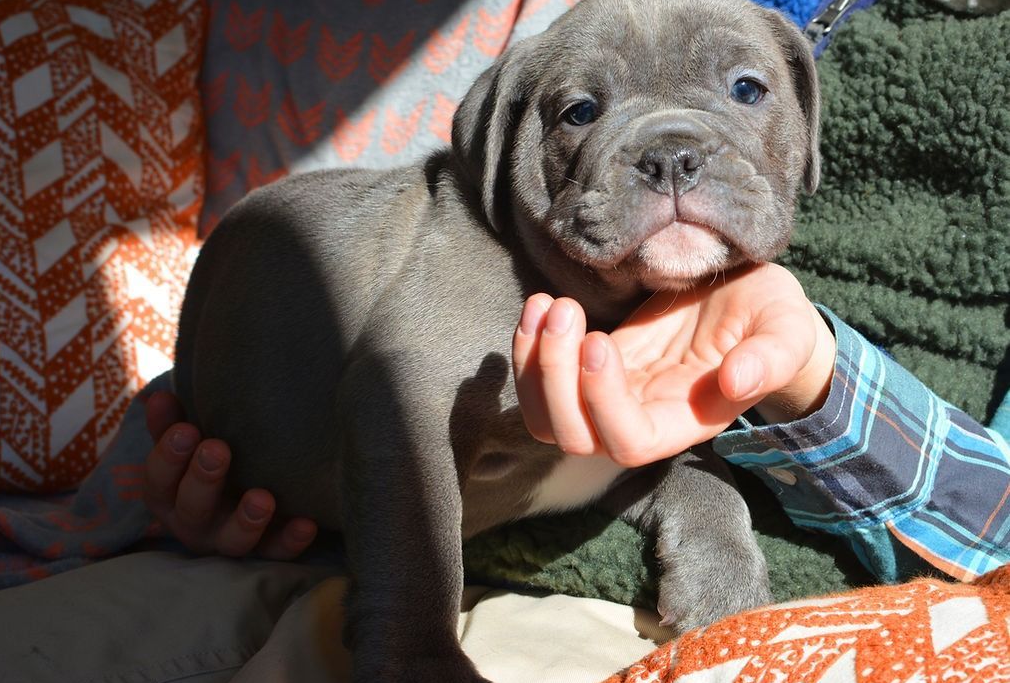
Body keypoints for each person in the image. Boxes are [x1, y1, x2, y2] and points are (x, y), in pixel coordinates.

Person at [146, 261, 1010, 582]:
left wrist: (817, 381)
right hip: (411, 560)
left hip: (759, 603)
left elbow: (999, 533)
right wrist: (294, 476)